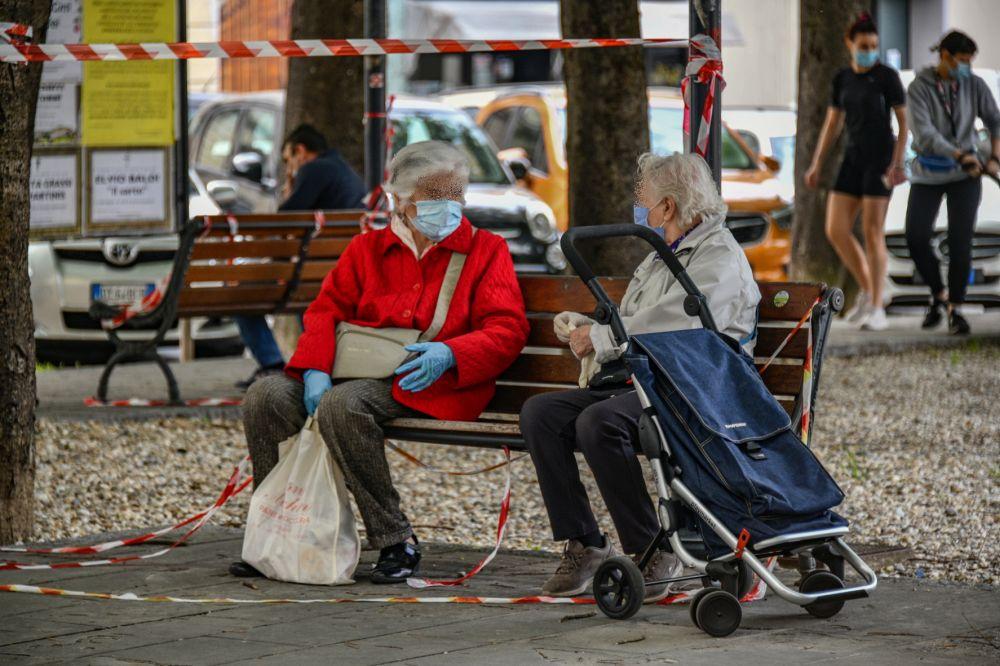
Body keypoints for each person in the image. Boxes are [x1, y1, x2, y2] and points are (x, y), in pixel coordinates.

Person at [231, 141, 529, 583]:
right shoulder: (367, 249)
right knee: (266, 395)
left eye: (456, 197)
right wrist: (314, 368)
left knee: (343, 405)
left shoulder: (486, 251)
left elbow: (507, 327)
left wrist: (451, 353)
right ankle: (277, 533)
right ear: (400, 201)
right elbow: (326, 310)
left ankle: (394, 539)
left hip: (434, 380)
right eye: (435, 200)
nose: (449, 209)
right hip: (354, 370)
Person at [519, 153, 760, 600]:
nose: (639, 209)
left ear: (668, 207)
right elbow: (633, 315)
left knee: (600, 423)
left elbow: (676, 324)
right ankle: (586, 544)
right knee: (542, 414)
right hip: (650, 382)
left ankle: (652, 548)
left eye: (644, 200)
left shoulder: (719, 258)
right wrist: (586, 326)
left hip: (698, 391)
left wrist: (603, 336)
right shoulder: (663, 253)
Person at [234, 124, 368, 390]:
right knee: (305, 299)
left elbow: (286, 217)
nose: (289, 166)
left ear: (301, 150)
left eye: (288, 160)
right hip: (335, 271)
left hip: (312, 277)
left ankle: (271, 364)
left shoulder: (314, 169)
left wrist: (290, 186)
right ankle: (314, 363)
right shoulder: (345, 171)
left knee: (242, 296)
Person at [804, 13, 908, 331]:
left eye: (874, 45)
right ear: (850, 43)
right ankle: (872, 288)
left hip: (881, 159)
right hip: (852, 159)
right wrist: (817, 164)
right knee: (836, 229)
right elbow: (832, 123)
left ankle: (877, 307)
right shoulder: (842, 79)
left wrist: (898, 162)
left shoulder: (887, 77)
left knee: (872, 231)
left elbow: (904, 124)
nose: (869, 50)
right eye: (864, 45)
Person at [905, 30, 1000, 335]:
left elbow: (995, 120)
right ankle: (938, 293)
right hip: (928, 172)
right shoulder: (920, 87)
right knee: (916, 236)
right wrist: (959, 155)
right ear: (944, 56)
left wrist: (993, 157)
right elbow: (925, 134)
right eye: (961, 61)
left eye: (970, 62)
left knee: (961, 242)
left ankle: (955, 308)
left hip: (965, 177)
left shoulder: (974, 84)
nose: (966, 67)